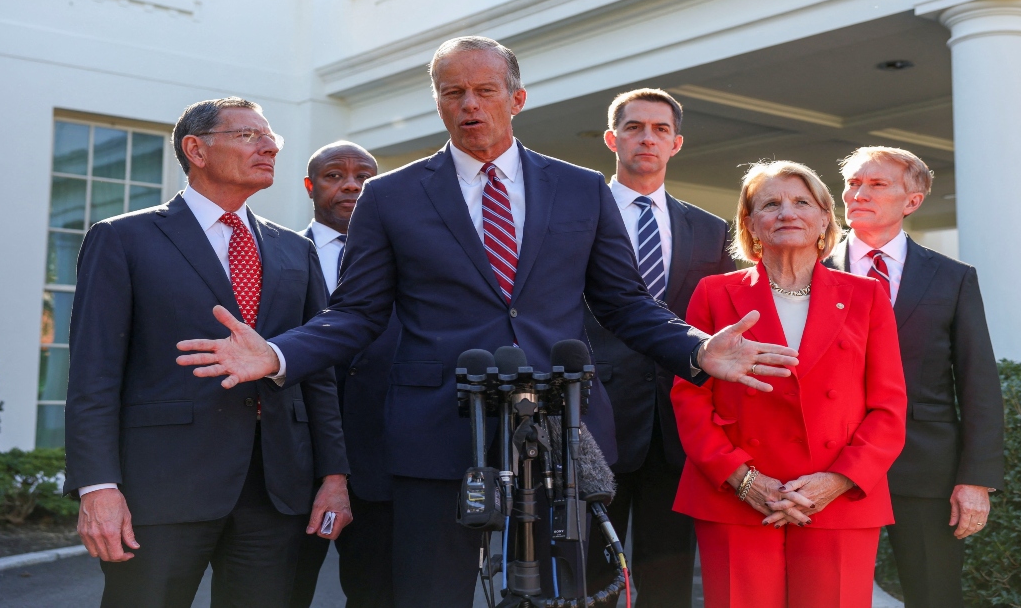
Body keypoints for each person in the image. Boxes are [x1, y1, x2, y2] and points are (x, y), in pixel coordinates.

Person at [174, 37, 798, 608]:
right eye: (453, 92)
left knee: (566, 595)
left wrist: (696, 349)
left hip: (561, 428)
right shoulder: (391, 196)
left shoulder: (582, 190)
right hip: (436, 432)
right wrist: (279, 355)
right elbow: (357, 314)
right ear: (439, 103)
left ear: (517, 98)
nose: (469, 104)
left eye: (485, 90)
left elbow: (625, 303)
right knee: (430, 593)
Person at [63, 97, 351, 608]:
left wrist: (334, 476)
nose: (268, 147)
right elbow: (93, 376)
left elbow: (318, 375)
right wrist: (97, 487)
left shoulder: (294, 250)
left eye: (272, 139)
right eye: (248, 136)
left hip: (277, 489)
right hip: (162, 488)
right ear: (195, 149)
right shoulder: (123, 240)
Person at [671, 160, 907, 608]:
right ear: (751, 224)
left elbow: (889, 406)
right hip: (737, 498)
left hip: (836, 498)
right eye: (771, 204)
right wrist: (743, 480)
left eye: (802, 202)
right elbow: (689, 397)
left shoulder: (866, 296)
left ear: (824, 219)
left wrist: (835, 481)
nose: (787, 212)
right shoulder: (713, 293)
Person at [827, 146, 1003, 608]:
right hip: (826, 466)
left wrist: (976, 479)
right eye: (853, 183)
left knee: (934, 597)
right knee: (828, 595)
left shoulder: (953, 278)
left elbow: (978, 381)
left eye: (877, 184)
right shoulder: (810, 270)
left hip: (926, 470)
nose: (858, 193)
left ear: (913, 201)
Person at [584, 88, 736, 606]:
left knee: (668, 582)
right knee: (592, 579)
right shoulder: (576, 216)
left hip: (678, 425)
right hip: (594, 419)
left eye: (660, 129)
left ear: (676, 144)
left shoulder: (712, 230)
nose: (647, 137)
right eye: (634, 127)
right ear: (612, 139)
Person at [292, 141, 398, 608]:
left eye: (365, 176)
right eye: (335, 175)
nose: (352, 184)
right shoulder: (277, 256)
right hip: (294, 461)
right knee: (280, 591)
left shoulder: (411, 262)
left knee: (377, 594)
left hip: (383, 455)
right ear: (311, 187)